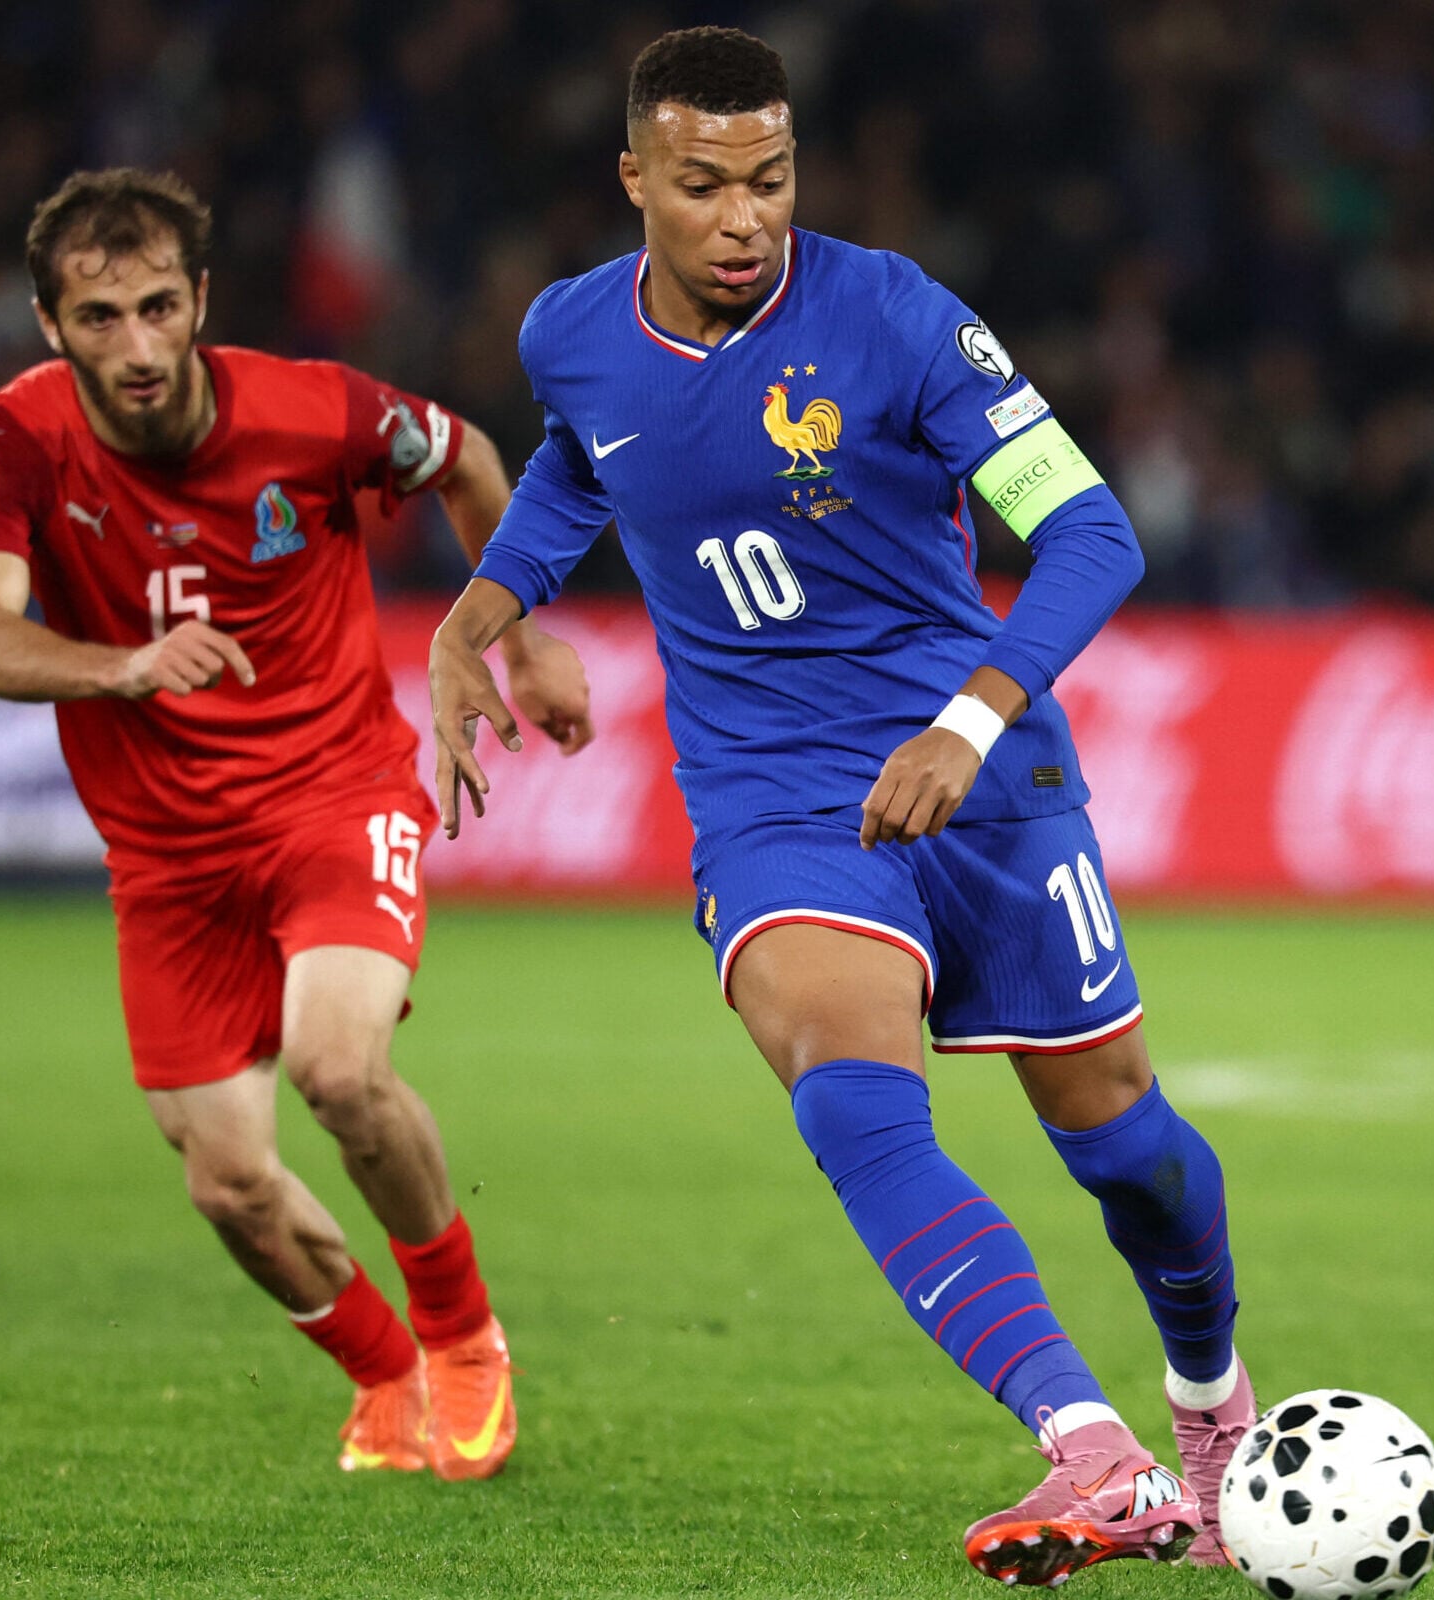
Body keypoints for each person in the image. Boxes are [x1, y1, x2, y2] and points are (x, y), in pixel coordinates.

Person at [428, 27, 1253, 1586]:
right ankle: (1094, 1451)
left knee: (1126, 1150)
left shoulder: (898, 321)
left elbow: (1088, 534)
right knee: (849, 1088)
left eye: (772, 180)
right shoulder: (571, 334)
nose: (745, 218)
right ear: (634, 184)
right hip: (776, 797)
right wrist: (487, 603)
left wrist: (970, 719)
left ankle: (1211, 1408)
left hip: (985, 777)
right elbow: (579, 468)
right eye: (703, 186)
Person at [0, 168, 592, 1480]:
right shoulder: (3, 446)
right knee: (226, 1182)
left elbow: (463, 455)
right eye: (101, 316)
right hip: (167, 860)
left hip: (331, 794)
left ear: (202, 303)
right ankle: (385, 1371)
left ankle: (464, 1340)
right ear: (49, 323)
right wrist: (119, 665)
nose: (135, 345)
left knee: (338, 1069)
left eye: (158, 308)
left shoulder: (315, 411)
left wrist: (512, 631)